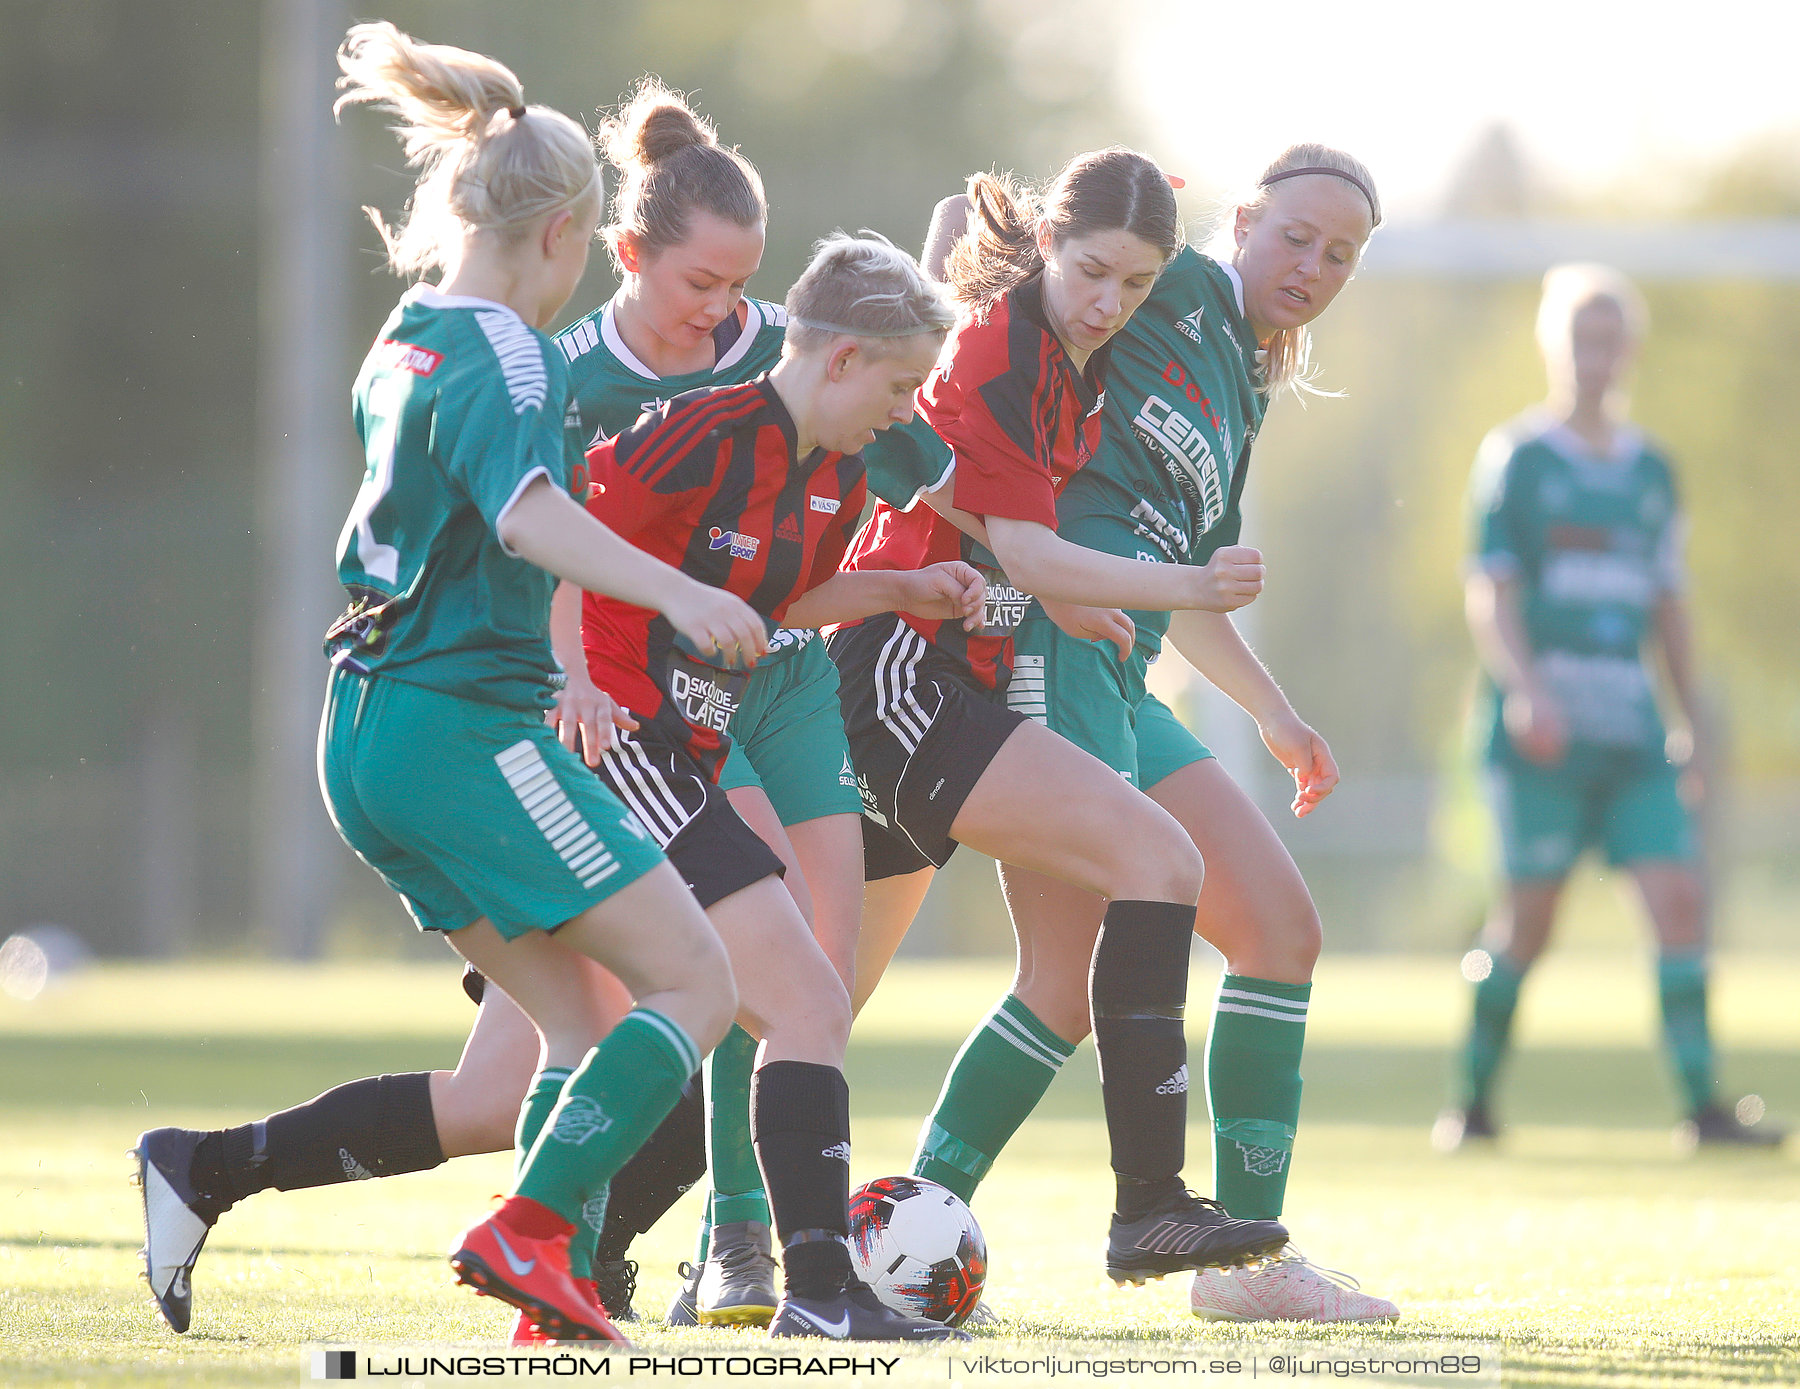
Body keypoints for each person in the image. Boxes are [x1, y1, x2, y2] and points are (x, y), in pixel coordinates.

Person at [138, 21, 772, 1343]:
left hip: (367, 730)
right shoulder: (514, 354)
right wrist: (683, 590)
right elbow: (530, 515)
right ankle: (532, 1235)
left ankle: (549, 1301)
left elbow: (474, 535)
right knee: (700, 983)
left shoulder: (409, 334)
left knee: (580, 1028)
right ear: (561, 237)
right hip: (457, 733)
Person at [851, 145, 1401, 1323]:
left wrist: (1274, 710)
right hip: (1044, 659)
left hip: (1125, 679)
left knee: (1276, 933)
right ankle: (913, 1246)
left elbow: (1177, 585)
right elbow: (1062, 255)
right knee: (1062, 978)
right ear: (1241, 222)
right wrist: (965, 242)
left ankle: (1237, 1270)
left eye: (1340, 254)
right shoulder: (1172, 290)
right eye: (1294, 235)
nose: (1312, 266)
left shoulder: (1242, 380)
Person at [573, 229, 979, 1342]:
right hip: (631, 747)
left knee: (782, 1000)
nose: (906, 412)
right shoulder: (698, 435)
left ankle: (786, 1285)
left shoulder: (835, 475)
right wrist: (574, 693)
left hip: (685, 753)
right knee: (787, 999)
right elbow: (550, 544)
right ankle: (779, 1286)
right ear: (839, 359)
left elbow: (786, 611)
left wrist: (902, 587)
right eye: (900, 386)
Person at [1434, 263, 1787, 1154]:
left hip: (1632, 736)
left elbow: (1670, 607)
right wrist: (1528, 690)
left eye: (1610, 338)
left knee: (1678, 900)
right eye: (1579, 338)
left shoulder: (1652, 472)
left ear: (1630, 350)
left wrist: (1691, 724)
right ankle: (1470, 1105)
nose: (1596, 356)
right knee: (1530, 923)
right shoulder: (1518, 459)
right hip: (1544, 742)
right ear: (1555, 347)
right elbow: (1492, 594)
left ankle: (1703, 1106)